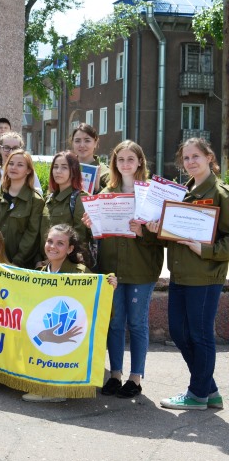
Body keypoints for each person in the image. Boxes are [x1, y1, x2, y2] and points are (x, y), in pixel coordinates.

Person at [147, 138, 227, 410]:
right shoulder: (181, 194)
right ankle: (210, 390)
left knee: (200, 335)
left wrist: (204, 249)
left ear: (209, 157)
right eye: (186, 158)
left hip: (205, 276)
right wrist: (156, 228)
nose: (191, 162)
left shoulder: (221, 194)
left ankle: (197, 395)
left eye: (196, 156)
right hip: (180, 274)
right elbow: (173, 235)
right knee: (179, 333)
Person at [82, 140, 162, 400]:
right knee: (114, 323)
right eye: (120, 159)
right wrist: (90, 222)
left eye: (131, 159)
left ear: (140, 162)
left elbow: (163, 237)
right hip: (112, 268)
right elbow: (101, 234)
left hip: (141, 269)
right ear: (114, 163)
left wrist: (144, 233)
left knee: (137, 323)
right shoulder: (107, 192)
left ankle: (135, 378)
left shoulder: (152, 194)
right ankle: (115, 374)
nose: (125, 164)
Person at [22, 225, 116, 403]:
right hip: (47, 334)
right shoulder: (40, 273)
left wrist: (108, 288)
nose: (53, 247)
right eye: (50, 241)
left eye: (60, 243)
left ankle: (58, 388)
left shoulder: (79, 273)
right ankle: (44, 384)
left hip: (70, 336)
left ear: (70, 248)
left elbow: (99, 307)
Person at [0, 149, 46, 268]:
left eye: (20, 165)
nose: (13, 167)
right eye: (11, 164)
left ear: (28, 171)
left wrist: (17, 261)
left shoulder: (35, 200)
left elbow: (32, 234)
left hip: (22, 266)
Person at [43, 151, 89, 258]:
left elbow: (80, 236)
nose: (58, 171)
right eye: (55, 167)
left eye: (64, 167)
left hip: (67, 263)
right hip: (45, 263)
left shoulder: (79, 198)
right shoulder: (48, 198)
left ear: (73, 171)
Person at [0, 132, 42, 197]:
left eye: (15, 148)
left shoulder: (28, 173)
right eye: (6, 147)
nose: (11, 152)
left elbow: (37, 198)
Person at [70, 124, 109, 193]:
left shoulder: (105, 172)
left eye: (87, 141)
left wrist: (97, 189)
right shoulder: (65, 167)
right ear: (72, 143)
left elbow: (111, 201)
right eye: (77, 141)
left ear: (95, 143)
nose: (82, 145)